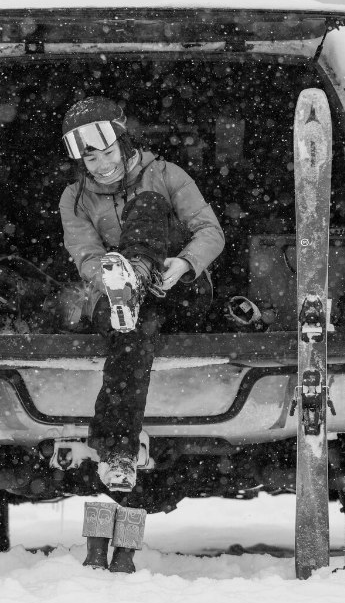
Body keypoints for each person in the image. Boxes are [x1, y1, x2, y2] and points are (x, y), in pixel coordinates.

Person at [58, 96, 225, 571]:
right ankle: (116, 452)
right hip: (119, 301)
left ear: (123, 143)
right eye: (91, 158)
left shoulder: (166, 175)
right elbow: (86, 256)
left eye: (107, 153)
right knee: (131, 335)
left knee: (149, 207)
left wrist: (183, 263)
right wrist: (108, 280)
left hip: (179, 288)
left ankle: (137, 274)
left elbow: (210, 231)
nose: (102, 164)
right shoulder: (73, 200)